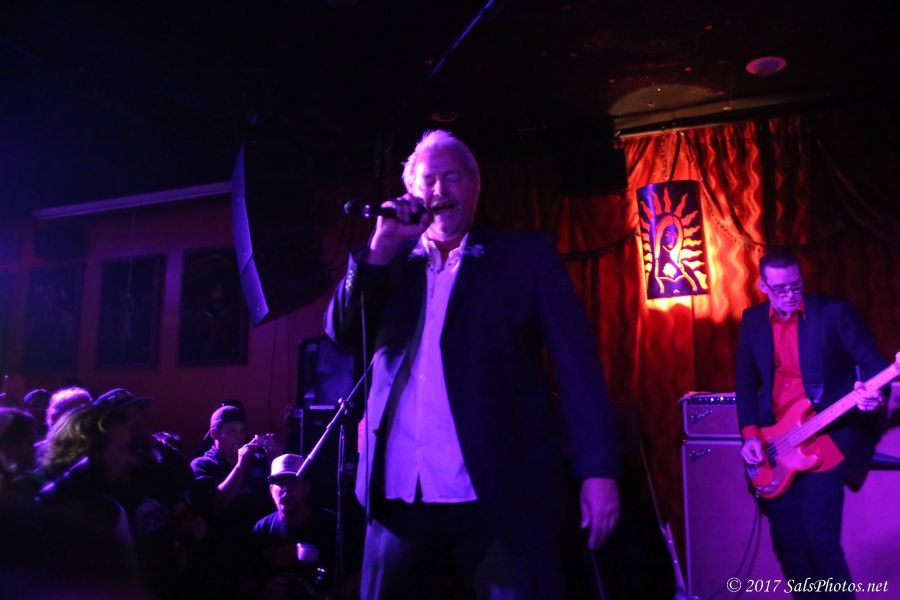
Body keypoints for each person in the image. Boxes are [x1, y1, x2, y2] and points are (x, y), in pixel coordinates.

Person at [326, 130, 620, 599]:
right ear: (412, 193)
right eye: (429, 180)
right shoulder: (391, 262)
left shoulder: (525, 258)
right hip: (399, 496)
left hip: (496, 495)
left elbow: (577, 365)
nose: (440, 189)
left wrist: (598, 469)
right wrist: (380, 247)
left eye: (452, 177)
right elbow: (341, 332)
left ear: (475, 186)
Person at [735, 248, 888, 598]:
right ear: (762, 286)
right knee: (788, 543)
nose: (790, 294)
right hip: (776, 442)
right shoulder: (753, 320)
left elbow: (874, 363)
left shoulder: (833, 313)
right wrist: (750, 435)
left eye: (796, 285)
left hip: (827, 438)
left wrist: (873, 396)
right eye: (781, 289)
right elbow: (745, 381)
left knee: (820, 540)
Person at [251, 453, 337, 599]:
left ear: (306, 488)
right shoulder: (262, 529)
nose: (286, 488)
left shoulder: (329, 524)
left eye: (293, 481)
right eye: (280, 482)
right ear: (271, 490)